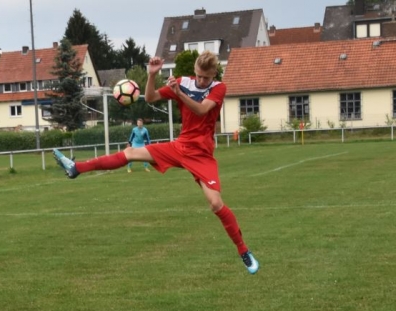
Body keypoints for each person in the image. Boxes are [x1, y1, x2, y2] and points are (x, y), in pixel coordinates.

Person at [51, 52, 259, 274]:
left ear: (214, 74)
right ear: (194, 71)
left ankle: (243, 251)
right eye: (198, 75)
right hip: (180, 147)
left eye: (205, 77)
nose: (201, 80)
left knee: (216, 204)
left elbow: (201, 110)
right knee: (130, 152)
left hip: (201, 155)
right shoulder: (183, 82)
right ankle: (76, 168)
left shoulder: (219, 88)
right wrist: (152, 75)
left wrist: (179, 93)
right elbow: (150, 98)